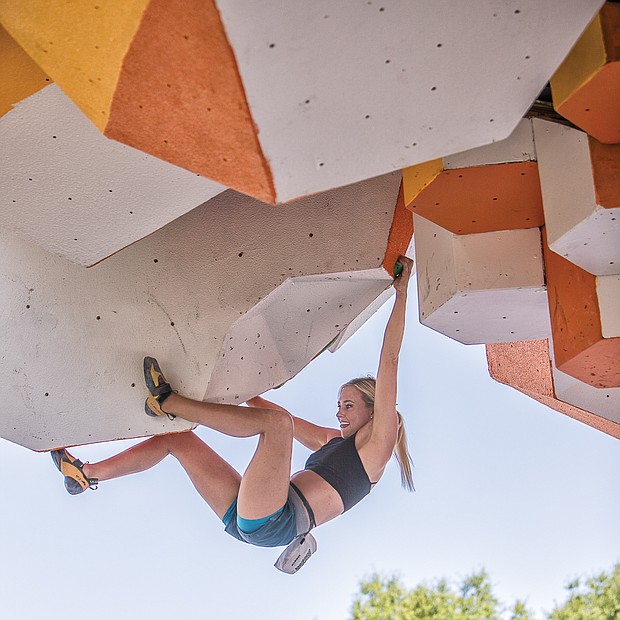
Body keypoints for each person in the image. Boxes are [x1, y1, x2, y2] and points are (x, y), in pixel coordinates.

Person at [51, 256, 414, 564]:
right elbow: (270, 410)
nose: (339, 413)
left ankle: (167, 402)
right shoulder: (334, 442)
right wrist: (242, 385)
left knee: (277, 425)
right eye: (339, 405)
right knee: (179, 441)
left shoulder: (377, 447)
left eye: (348, 406)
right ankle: (87, 474)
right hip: (252, 518)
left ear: (374, 408)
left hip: (276, 520)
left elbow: (390, 362)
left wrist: (401, 293)